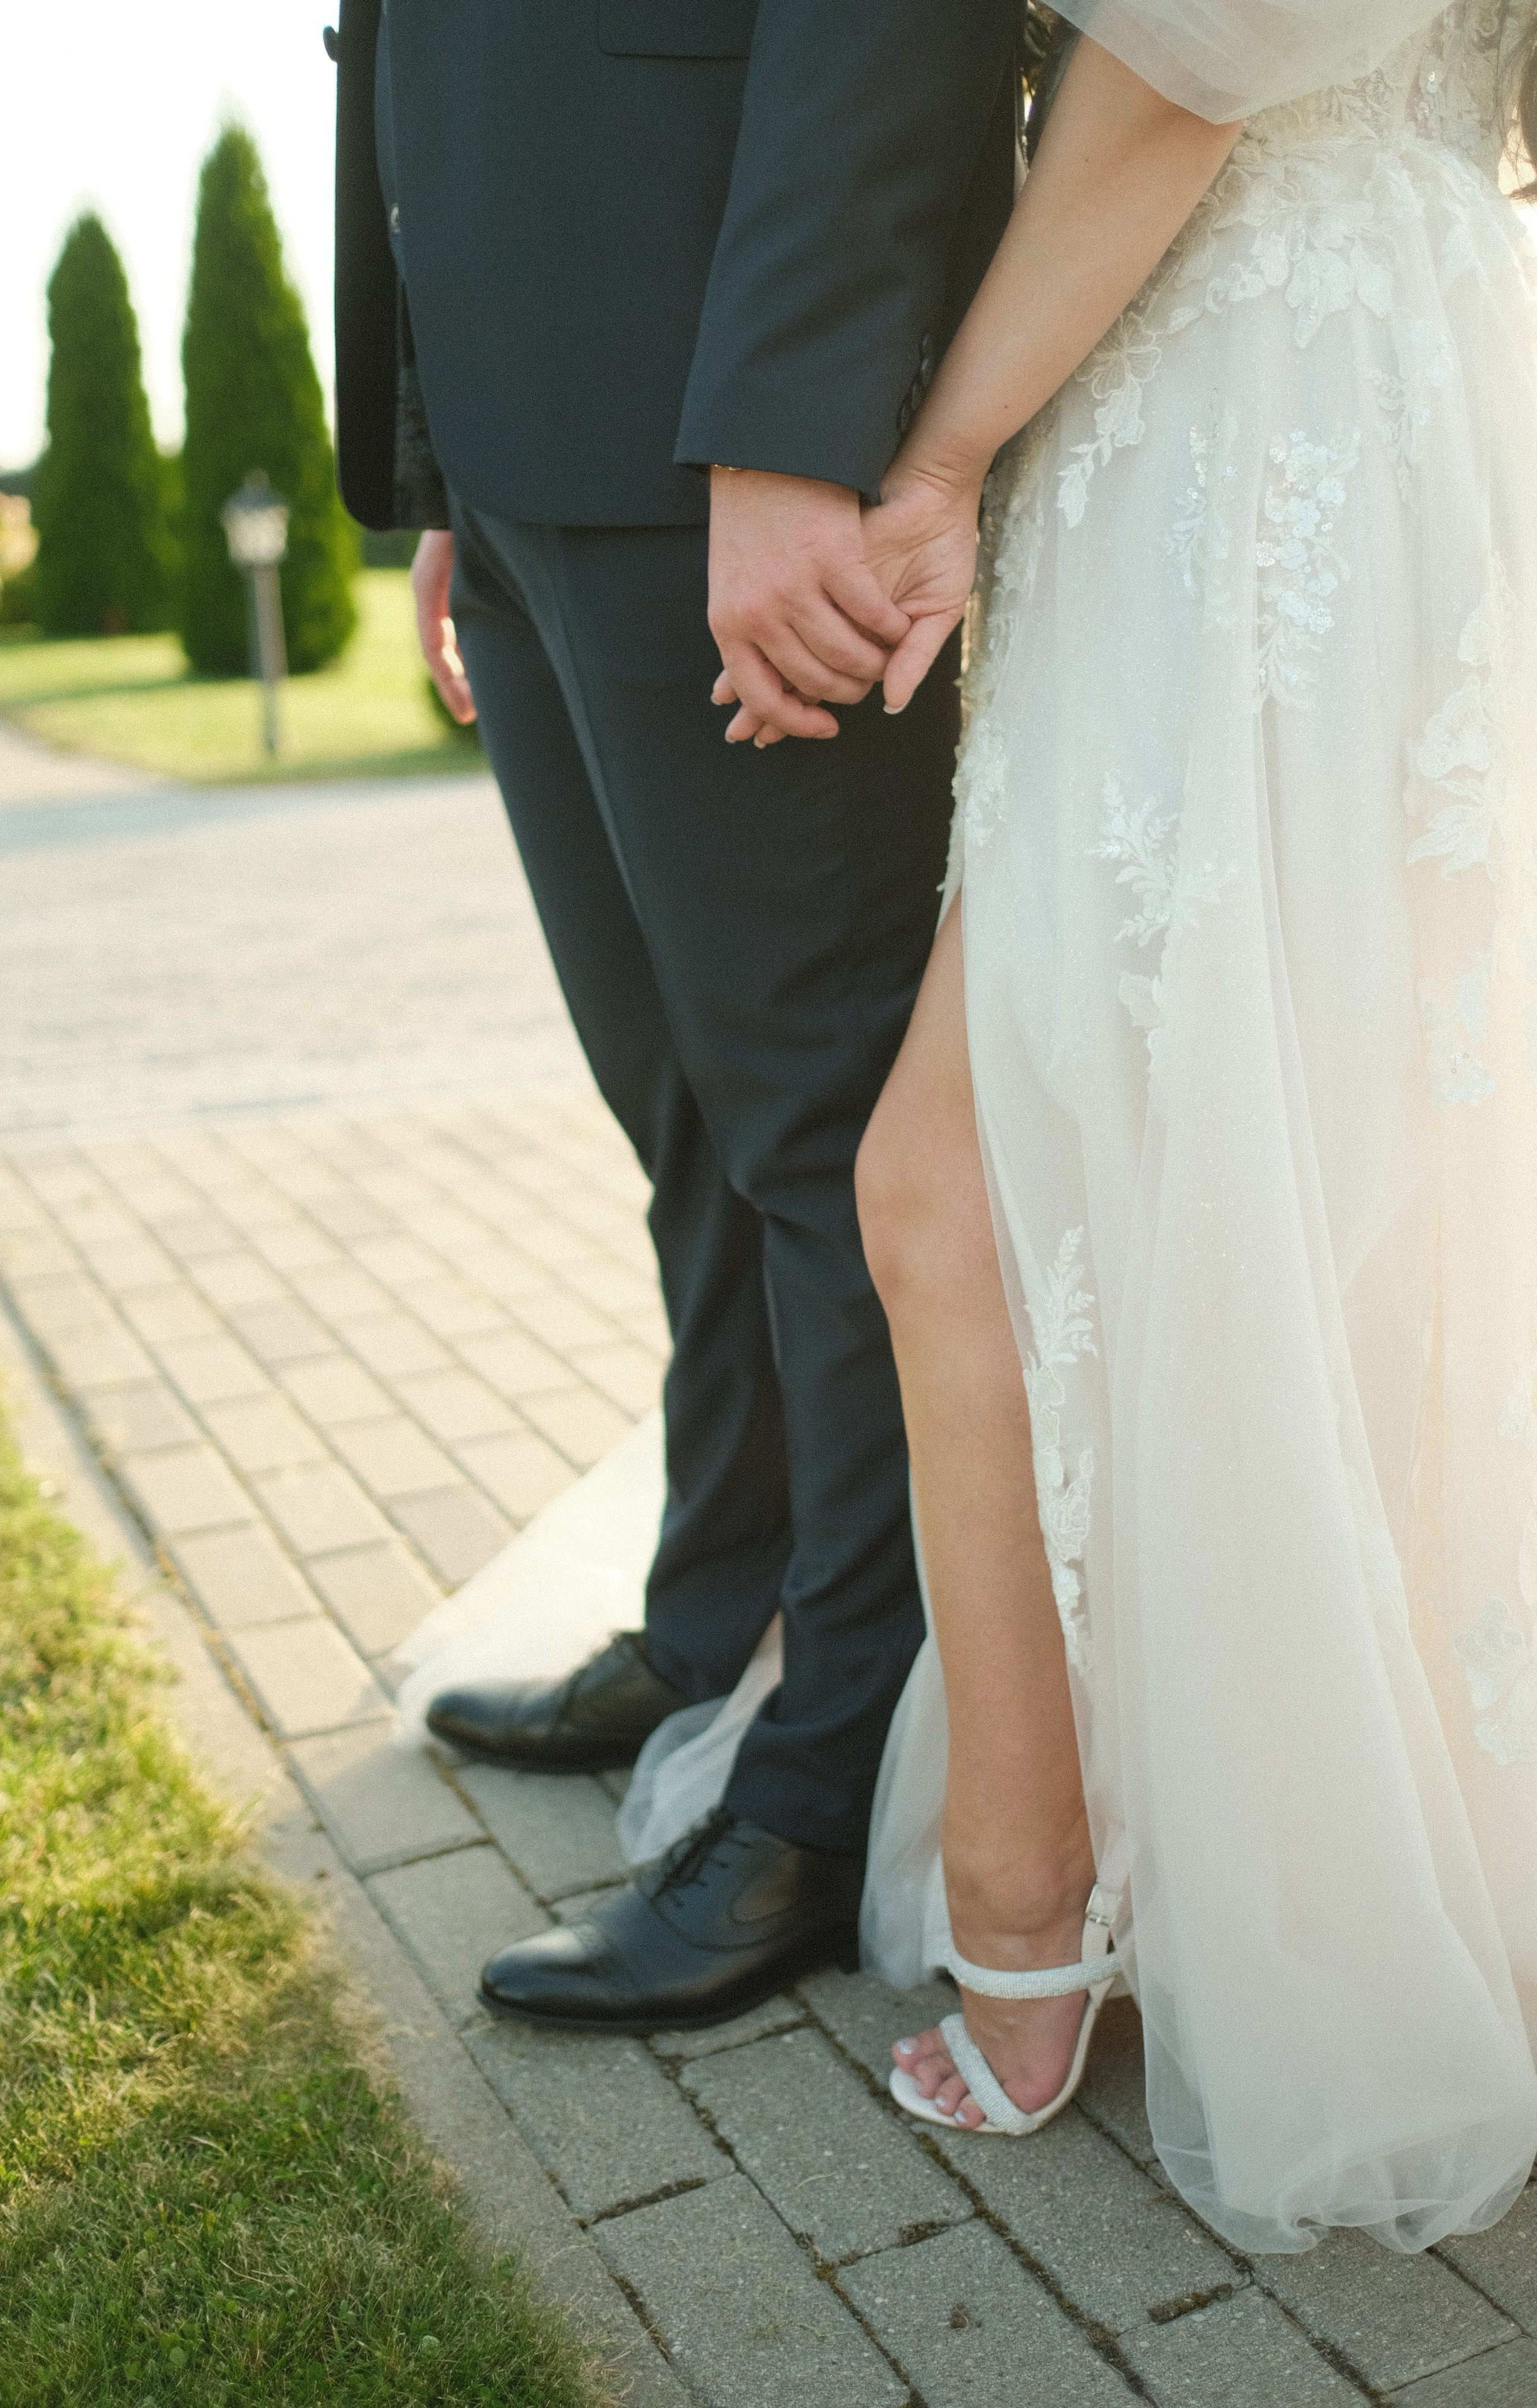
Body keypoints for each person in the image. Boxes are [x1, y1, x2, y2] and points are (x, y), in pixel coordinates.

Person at [719, 0, 1537, 2252]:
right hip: (1362, 381)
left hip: (1243, 414)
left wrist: (943, 452)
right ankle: (1295, 1859)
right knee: (1322, 1185)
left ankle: (1040, 1896)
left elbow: (1199, 54)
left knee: (958, 1180)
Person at [326, 0, 1022, 2030]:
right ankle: (719, 1620)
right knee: (683, 1117)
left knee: (826, 1143)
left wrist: (795, 429)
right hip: (521, 402)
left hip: (726, 403)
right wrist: (440, 441)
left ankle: (824, 1794)